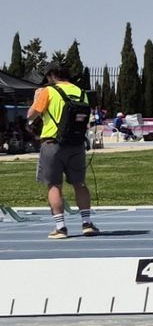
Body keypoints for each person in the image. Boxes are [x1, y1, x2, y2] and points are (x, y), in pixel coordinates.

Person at [26, 62, 99, 240]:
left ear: (51, 75)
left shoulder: (48, 91)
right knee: (79, 184)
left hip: (53, 143)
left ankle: (60, 227)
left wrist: (36, 99)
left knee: (54, 185)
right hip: (76, 144)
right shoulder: (81, 92)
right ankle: (87, 223)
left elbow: (30, 115)